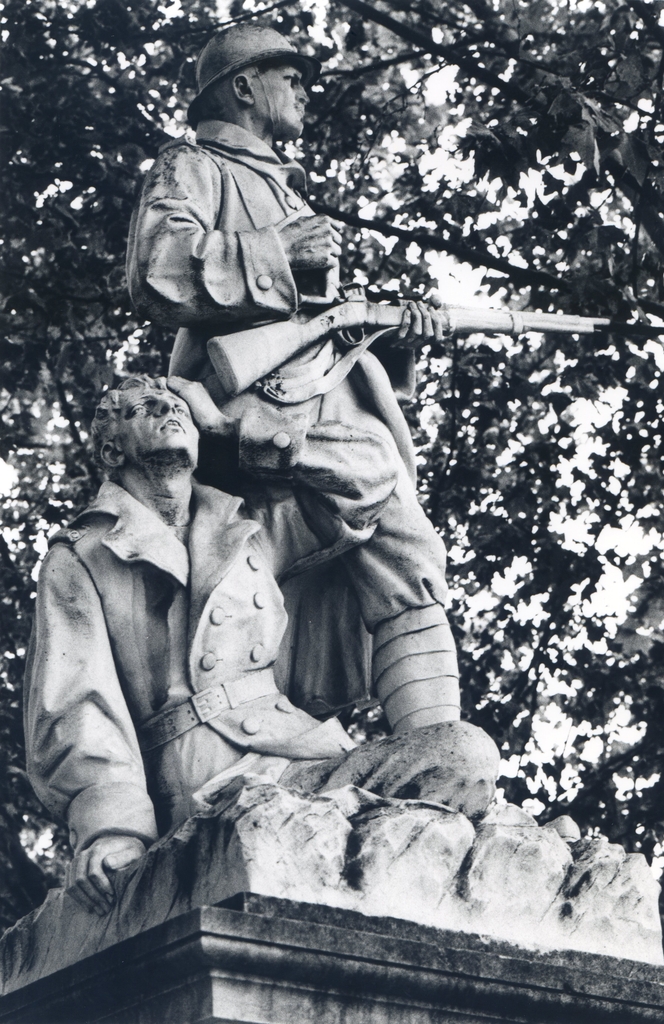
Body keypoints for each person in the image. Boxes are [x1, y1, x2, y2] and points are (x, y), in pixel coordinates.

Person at [24, 377, 499, 917]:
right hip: (204, 781)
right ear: (112, 449)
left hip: (307, 756)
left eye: (179, 407)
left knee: (463, 752)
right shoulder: (81, 555)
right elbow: (78, 707)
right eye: (145, 409)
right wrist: (111, 828)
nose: (169, 412)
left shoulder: (248, 526)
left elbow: (372, 485)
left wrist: (237, 428)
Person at [126, 23, 463, 728]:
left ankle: (437, 753)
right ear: (244, 88)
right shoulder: (195, 165)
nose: (306, 90)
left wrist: (394, 332)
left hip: (326, 416)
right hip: (253, 419)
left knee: (405, 552)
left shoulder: (285, 191)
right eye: (290, 76)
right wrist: (277, 249)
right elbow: (158, 268)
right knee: (258, 591)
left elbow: (324, 333)